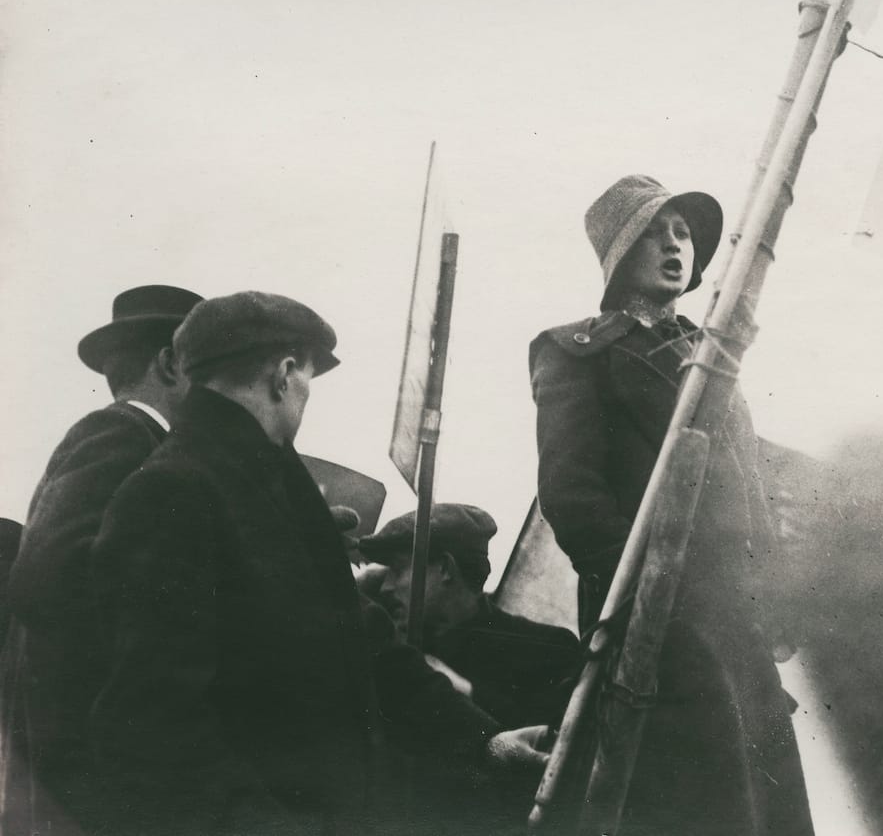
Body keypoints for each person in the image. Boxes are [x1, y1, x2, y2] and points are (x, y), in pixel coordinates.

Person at [528, 174, 814, 835]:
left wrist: (775, 599)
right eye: (653, 232)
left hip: (734, 625)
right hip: (656, 629)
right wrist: (646, 598)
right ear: (620, 255)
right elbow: (571, 494)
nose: (674, 244)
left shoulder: (711, 359)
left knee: (765, 809)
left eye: (682, 231)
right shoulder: (576, 352)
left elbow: (748, 488)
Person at [87, 291, 375, 836]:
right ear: (284, 374)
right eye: (309, 377)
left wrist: (486, 741)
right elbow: (156, 727)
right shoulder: (178, 490)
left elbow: (354, 639)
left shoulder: (260, 481)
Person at [0, 284, 202, 836]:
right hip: (80, 761)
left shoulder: (136, 440)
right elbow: (48, 579)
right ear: (169, 363)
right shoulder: (122, 433)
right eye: (210, 372)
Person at [357, 505, 580, 729]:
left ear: (445, 568)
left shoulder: (547, 649)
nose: (386, 586)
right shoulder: (388, 643)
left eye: (397, 570)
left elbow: (550, 742)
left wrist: (463, 690)